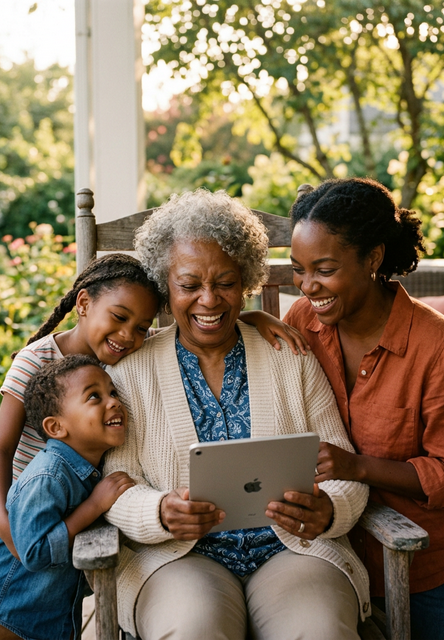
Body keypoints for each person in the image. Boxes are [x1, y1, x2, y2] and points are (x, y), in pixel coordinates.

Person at [102, 189, 370, 640]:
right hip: (180, 558)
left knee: (319, 631)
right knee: (192, 631)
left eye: (225, 282)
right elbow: (116, 484)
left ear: (246, 281)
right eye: (189, 285)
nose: (209, 300)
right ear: (165, 287)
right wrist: (161, 512)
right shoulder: (130, 373)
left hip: (294, 551)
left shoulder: (290, 355)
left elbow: (340, 465)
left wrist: (330, 508)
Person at [282, 177, 444, 640]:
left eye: (323, 269)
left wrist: (356, 466)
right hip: (340, 554)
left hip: (436, 562)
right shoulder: (303, 321)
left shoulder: (438, 346)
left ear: (373, 258)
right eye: (298, 269)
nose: (306, 286)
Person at [0, 253, 161, 553]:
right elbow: (1, 449)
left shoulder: (125, 353)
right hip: (18, 514)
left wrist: (250, 318)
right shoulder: (34, 361)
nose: (128, 335)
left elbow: (182, 334)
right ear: (84, 303)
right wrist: (2, 520)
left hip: (73, 512)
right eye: (119, 317)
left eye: (141, 327)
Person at [0, 354, 135, 640]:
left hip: (40, 624)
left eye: (112, 392)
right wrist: (94, 505)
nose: (113, 401)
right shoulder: (48, 476)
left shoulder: (86, 471)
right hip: (0, 620)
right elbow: (35, 553)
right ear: (56, 428)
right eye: (94, 397)